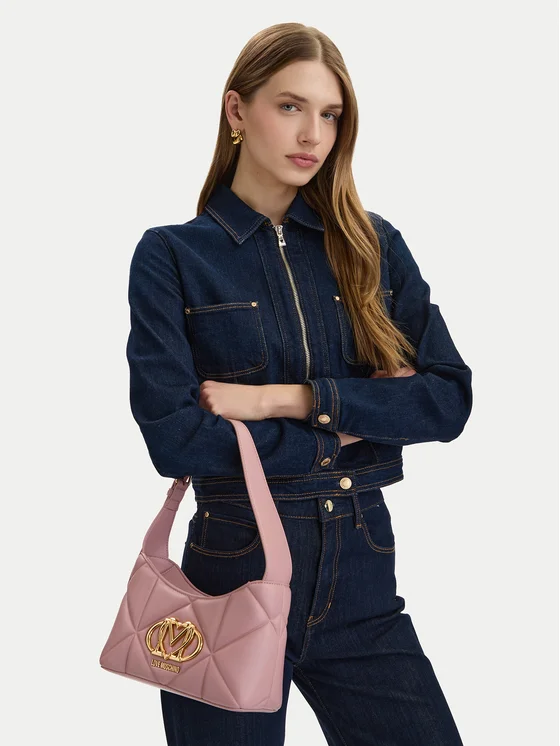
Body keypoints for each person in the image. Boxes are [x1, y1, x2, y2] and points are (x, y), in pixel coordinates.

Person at [125, 22, 473, 746]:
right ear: (236, 110)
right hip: (232, 568)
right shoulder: (173, 256)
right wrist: (346, 430)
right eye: (290, 106)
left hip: (362, 570)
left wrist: (286, 401)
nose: (313, 133)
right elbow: (175, 437)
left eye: (331, 114)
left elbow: (447, 399)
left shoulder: (374, 246)